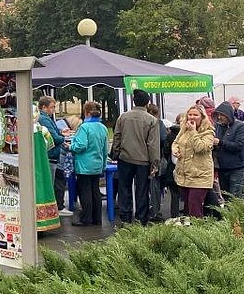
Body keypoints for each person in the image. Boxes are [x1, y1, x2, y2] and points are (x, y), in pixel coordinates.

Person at [112, 90, 161, 224]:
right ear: (147, 103)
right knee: (142, 191)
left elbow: (117, 136)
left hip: (125, 158)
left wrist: (115, 153)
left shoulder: (123, 117)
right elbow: (153, 144)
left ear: (134, 101)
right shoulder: (151, 120)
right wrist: (154, 163)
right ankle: (141, 218)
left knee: (124, 188)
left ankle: (125, 217)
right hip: (143, 161)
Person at [172, 105, 216, 218]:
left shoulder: (208, 132)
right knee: (187, 208)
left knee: (194, 208)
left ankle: (198, 231)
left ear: (202, 117)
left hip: (200, 176)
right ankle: (190, 231)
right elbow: (176, 142)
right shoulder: (184, 129)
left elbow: (200, 148)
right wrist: (175, 149)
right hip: (185, 175)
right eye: (190, 115)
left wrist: (193, 131)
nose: (192, 117)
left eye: (195, 115)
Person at [69, 102, 108, 227]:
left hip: (84, 165)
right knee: (95, 191)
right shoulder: (103, 127)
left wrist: (70, 146)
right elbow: (105, 149)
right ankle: (97, 218)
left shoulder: (84, 128)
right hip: (97, 164)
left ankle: (86, 218)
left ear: (86, 113)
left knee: (85, 192)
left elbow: (80, 145)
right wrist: (103, 165)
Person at [36, 96, 71, 216]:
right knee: (52, 184)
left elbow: (54, 133)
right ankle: (53, 210)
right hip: (51, 155)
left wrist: (60, 133)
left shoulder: (45, 118)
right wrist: (64, 138)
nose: (54, 110)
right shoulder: (44, 119)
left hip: (51, 154)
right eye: (52, 107)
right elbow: (53, 138)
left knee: (55, 182)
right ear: (44, 107)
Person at [211, 101, 244, 201]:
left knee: (234, 197)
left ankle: (235, 216)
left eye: (222, 115)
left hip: (237, 167)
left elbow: (239, 145)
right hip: (222, 167)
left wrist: (220, 142)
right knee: (225, 196)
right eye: (218, 115)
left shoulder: (240, 126)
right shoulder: (218, 127)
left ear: (228, 114)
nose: (220, 117)